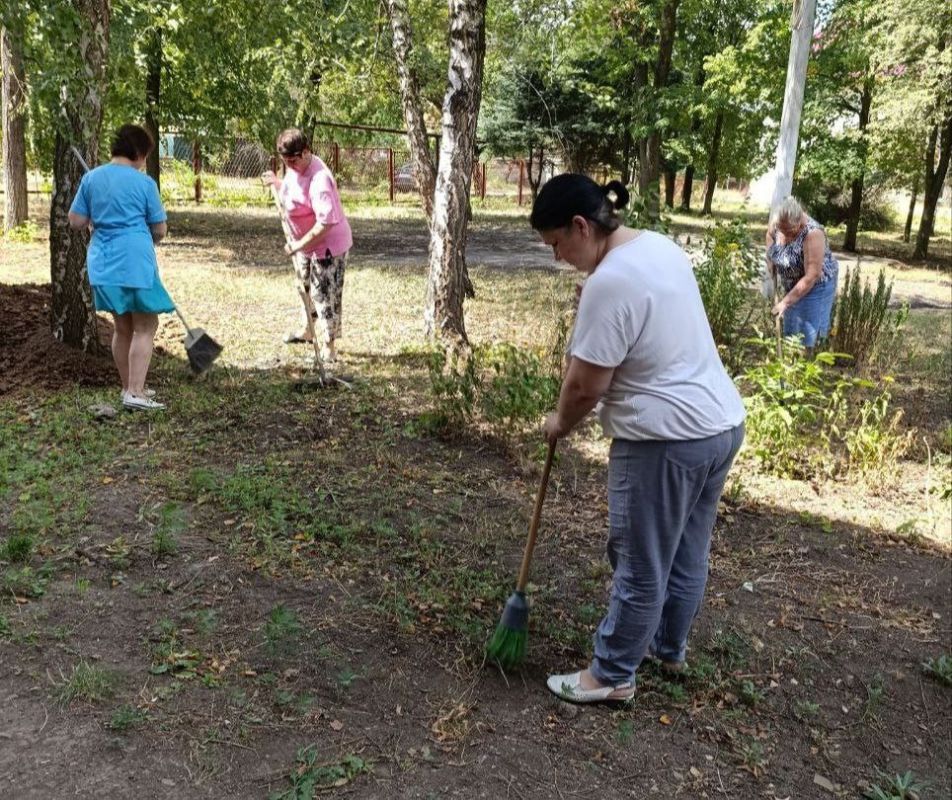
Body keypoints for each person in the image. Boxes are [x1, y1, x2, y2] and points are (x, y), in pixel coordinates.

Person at [534, 174, 746, 704]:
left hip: (665, 440)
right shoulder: (656, 246)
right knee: (686, 549)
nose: (558, 257)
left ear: (581, 226)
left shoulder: (610, 282)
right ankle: (667, 647)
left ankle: (611, 675)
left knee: (641, 560)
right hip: (719, 425)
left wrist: (559, 422)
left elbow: (585, 386)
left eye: (557, 243)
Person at [68, 124, 170, 411]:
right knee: (146, 325)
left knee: (122, 327)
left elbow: (75, 221)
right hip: (135, 263)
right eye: (146, 155)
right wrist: (149, 236)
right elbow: (160, 229)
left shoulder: (92, 178)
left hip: (102, 263)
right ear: (138, 152)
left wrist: (94, 219)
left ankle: (129, 388)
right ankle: (135, 392)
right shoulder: (144, 184)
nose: (145, 162)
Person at [262, 129, 353, 363]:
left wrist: (298, 244)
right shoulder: (296, 167)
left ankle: (329, 347)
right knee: (304, 288)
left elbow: (326, 223)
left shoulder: (320, 179)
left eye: (292, 161)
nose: (289, 166)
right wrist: (276, 183)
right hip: (304, 245)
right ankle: (308, 331)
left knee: (324, 296)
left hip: (327, 247)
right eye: (285, 161)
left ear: (305, 152)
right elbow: (294, 190)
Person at [765, 196, 839, 350]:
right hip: (793, 283)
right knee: (792, 324)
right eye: (783, 231)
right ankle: (790, 358)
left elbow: (812, 276)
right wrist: (770, 260)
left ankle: (808, 358)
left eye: (790, 232)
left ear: (799, 222)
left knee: (808, 331)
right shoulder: (780, 222)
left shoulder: (812, 233)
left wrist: (785, 302)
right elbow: (769, 236)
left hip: (816, 285)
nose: (786, 236)